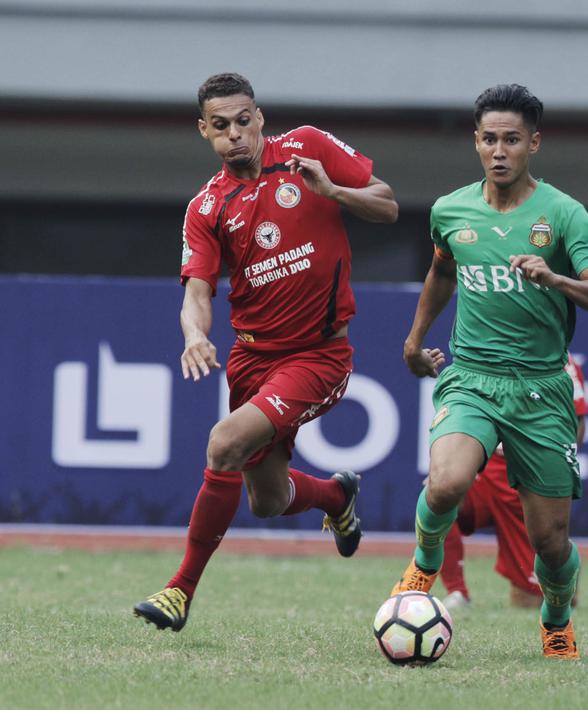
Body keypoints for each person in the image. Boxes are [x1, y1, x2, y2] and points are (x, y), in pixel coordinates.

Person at [133, 72, 398, 631]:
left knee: (224, 443)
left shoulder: (308, 150)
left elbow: (388, 205)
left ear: (260, 116)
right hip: (252, 362)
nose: (236, 134)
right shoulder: (206, 207)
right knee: (268, 501)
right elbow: (198, 291)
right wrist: (194, 335)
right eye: (221, 126)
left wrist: (336, 192)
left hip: (319, 357)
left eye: (243, 120)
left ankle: (179, 591)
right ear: (205, 131)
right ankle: (335, 496)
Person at [393, 84, 588, 660]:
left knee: (549, 541)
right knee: (445, 482)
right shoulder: (451, 210)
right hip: (471, 374)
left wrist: (556, 279)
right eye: (490, 139)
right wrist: (416, 340)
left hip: (542, 387)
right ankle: (422, 569)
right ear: (476, 142)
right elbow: (442, 271)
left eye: (512, 140)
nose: (499, 150)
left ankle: (556, 618)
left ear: (533, 144)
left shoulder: (563, 214)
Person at [438, 353, 588, 612]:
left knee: (528, 600)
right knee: (439, 493)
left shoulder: (559, 358)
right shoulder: (485, 343)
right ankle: (457, 592)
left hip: (525, 473)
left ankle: (561, 568)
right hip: (486, 467)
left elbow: (578, 421)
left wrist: (553, 465)